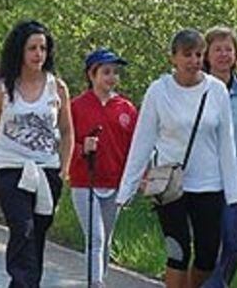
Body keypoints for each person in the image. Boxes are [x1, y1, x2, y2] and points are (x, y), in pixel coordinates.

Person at [117, 29, 237, 288]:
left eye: (198, 54)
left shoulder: (216, 91)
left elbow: (227, 145)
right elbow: (142, 141)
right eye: (187, 55)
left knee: (206, 255)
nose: (194, 61)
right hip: (171, 185)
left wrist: (233, 193)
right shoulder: (159, 91)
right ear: (173, 58)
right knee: (178, 251)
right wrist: (126, 188)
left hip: (209, 184)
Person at [0, 20, 74, 287]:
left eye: (43, 48)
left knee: (38, 233)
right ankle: (24, 283)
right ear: (19, 52)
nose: (38, 54)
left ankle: (26, 283)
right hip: (11, 168)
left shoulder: (57, 88)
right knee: (22, 230)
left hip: (47, 169)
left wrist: (64, 166)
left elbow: (67, 130)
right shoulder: (1, 90)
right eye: (32, 48)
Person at [69, 48, 137, 287]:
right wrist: (81, 148)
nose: (111, 77)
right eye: (106, 72)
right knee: (95, 238)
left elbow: (134, 148)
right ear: (92, 74)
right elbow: (63, 142)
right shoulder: (76, 106)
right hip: (84, 181)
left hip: (114, 182)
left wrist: (135, 179)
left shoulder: (126, 108)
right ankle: (95, 283)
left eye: (114, 73)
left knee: (106, 239)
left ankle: (100, 278)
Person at [202, 26, 237, 287]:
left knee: (233, 242)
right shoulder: (199, 90)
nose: (224, 54)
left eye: (229, 49)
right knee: (217, 241)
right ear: (207, 54)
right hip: (208, 179)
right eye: (218, 49)